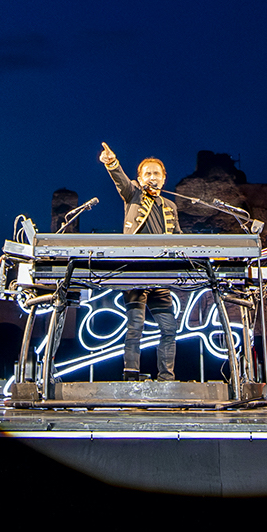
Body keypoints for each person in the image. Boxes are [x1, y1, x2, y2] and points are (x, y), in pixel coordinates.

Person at [100, 141, 179, 381]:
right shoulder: (133, 194)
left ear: (164, 179)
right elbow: (120, 181)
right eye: (148, 173)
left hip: (161, 275)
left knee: (169, 328)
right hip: (134, 272)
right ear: (140, 178)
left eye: (156, 173)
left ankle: (166, 378)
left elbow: (178, 237)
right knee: (136, 326)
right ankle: (131, 375)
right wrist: (112, 163)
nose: (152, 177)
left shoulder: (171, 206)